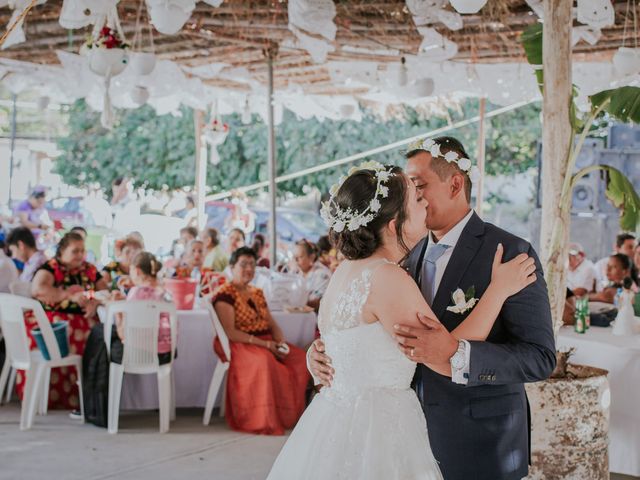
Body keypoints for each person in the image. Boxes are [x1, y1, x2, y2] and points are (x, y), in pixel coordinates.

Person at [304, 138, 555, 480]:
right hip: (396, 436)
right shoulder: (397, 256)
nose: (416, 199)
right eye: (412, 193)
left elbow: (540, 357)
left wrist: (463, 357)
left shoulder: (509, 252)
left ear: (455, 183)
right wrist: (324, 352)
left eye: (419, 187)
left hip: (479, 438)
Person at [212, 246, 309, 435]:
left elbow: (271, 323)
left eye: (252, 264)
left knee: (299, 359)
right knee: (265, 362)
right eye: (243, 264)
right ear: (231, 267)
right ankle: (262, 419)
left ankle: (291, 417)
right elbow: (231, 332)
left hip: (265, 340)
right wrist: (267, 346)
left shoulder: (257, 292)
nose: (249, 269)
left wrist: (279, 341)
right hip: (241, 343)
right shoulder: (225, 294)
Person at [18, 232, 108, 411]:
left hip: (84, 319)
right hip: (53, 321)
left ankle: (87, 397)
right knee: (66, 334)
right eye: (75, 251)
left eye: (82, 251)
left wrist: (95, 302)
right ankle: (52, 397)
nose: (80, 255)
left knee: (99, 334)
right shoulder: (49, 268)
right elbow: (39, 290)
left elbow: (105, 292)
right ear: (62, 251)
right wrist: (69, 295)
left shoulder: (89, 269)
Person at [292, 239, 331, 312]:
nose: (295, 260)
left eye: (299, 257)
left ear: (311, 257)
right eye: (294, 257)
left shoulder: (322, 274)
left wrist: (292, 301)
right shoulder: (296, 272)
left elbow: (316, 302)